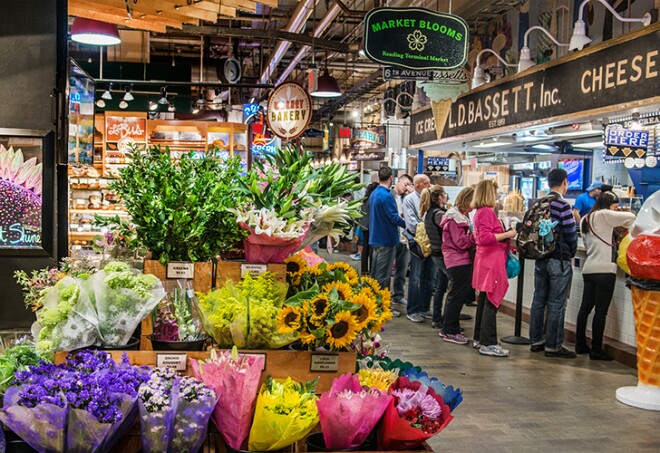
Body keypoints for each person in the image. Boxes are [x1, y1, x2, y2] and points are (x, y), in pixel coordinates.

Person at [576, 191, 635, 360]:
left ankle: (580, 344)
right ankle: (596, 349)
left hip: (589, 269)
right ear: (608, 205)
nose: (615, 210)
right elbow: (631, 218)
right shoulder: (604, 215)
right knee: (601, 312)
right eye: (614, 206)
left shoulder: (584, 219)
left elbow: (587, 245)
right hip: (605, 270)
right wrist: (620, 212)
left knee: (585, 308)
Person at [529, 168, 578, 359]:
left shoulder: (538, 203)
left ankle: (536, 340)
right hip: (559, 259)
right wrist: (570, 252)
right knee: (557, 303)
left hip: (540, 258)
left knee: (538, 299)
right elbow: (570, 233)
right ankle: (553, 345)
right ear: (565, 182)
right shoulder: (563, 205)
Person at [471, 180, 516, 357]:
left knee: (484, 299)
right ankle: (488, 343)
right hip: (491, 262)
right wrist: (509, 234)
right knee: (491, 301)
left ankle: (479, 338)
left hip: (485, 260)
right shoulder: (487, 212)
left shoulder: (480, 212)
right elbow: (485, 238)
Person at [439, 186, 476, 345]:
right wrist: (475, 236)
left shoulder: (458, 215)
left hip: (455, 260)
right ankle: (450, 330)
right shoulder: (455, 218)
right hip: (457, 260)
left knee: (455, 295)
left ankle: (448, 326)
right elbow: (460, 242)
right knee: (456, 296)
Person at [369, 166, 406, 317]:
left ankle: (372, 302)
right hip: (386, 239)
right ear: (391, 178)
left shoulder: (374, 194)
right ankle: (382, 306)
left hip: (375, 238)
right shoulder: (386, 196)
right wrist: (409, 224)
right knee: (383, 275)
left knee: (375, 273)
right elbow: (393, 217)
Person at [403, 174, 433, 323]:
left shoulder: (431, 198)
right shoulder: (409, 200)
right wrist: (427, 233)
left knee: (429, 278)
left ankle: (425, 307)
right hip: (418, 244)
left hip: (432, 244)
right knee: (415, 277)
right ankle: (413, 309)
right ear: (417, 186)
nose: (430, 185)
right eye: (426, 183)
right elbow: (411, 224)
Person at [419, 185, 450, 328]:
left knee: (440, 287)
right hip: (442, 254)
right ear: (439, 197)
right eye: (444, 194)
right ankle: (448, 321)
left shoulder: (430, 212)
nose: (446, 196)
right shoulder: (439, 214)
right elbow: (449, 229)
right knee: (454, 286)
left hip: (436, 253)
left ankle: (437, 318)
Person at [391, 174, 414, 309]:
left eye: (409, 185)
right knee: (388, 271)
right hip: (392, 238)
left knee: (402, 269)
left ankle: (398, 295)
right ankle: (385, 298)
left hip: (405, 239)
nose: (406, 187)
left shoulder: (407, 199)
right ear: (397, 181)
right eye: (405, 184)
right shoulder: (390, 196)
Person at [358, 182, 379, 274]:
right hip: (371, 225)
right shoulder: (372, 199)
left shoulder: (365, 199)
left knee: (365, 247)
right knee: (371, 247)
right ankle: (371, 269)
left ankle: (364, 268)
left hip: (364, 225)